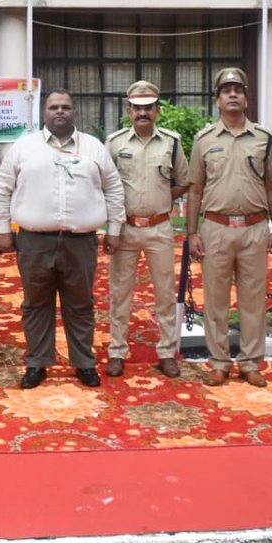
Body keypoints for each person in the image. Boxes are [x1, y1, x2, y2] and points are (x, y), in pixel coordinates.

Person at [0, 89, 125, 389]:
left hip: (80, 241)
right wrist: (1, 230)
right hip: (35, 242)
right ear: (44, 113)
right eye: (53, 107)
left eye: (65, 107)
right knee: (36, 305)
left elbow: (114, 189)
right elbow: (1, 190)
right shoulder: (24, 148)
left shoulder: (93, 148)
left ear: (74, 111)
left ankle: (84, 363)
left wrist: (114, 228)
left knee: (80, 304)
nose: (59, 111)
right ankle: (37, 363)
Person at [187, 68, 272, 388]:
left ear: (245, 97)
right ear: (217, 99)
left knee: (253, 299)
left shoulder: (264, 139)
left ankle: (251, 362)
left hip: (254, 228)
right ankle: (218, 362)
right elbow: (195, 189)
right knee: (216, 300)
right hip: (216, 228)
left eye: (237, 90)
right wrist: (192, 233)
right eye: (225, 90)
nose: (232, 95)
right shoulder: (204, 140)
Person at [104, 80, 190, 379]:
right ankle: (117, 351)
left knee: (165, 293)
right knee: (120, 292)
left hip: (159, 227)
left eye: (148, 107)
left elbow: (183, 180)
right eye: (137, 108)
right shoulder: (114, 143)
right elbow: (106, 184)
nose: (143, 113)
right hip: (125, 229)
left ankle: (167, 352)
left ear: (157, 110)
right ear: (128, 110)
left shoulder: (172, 142)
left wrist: (162, 200)